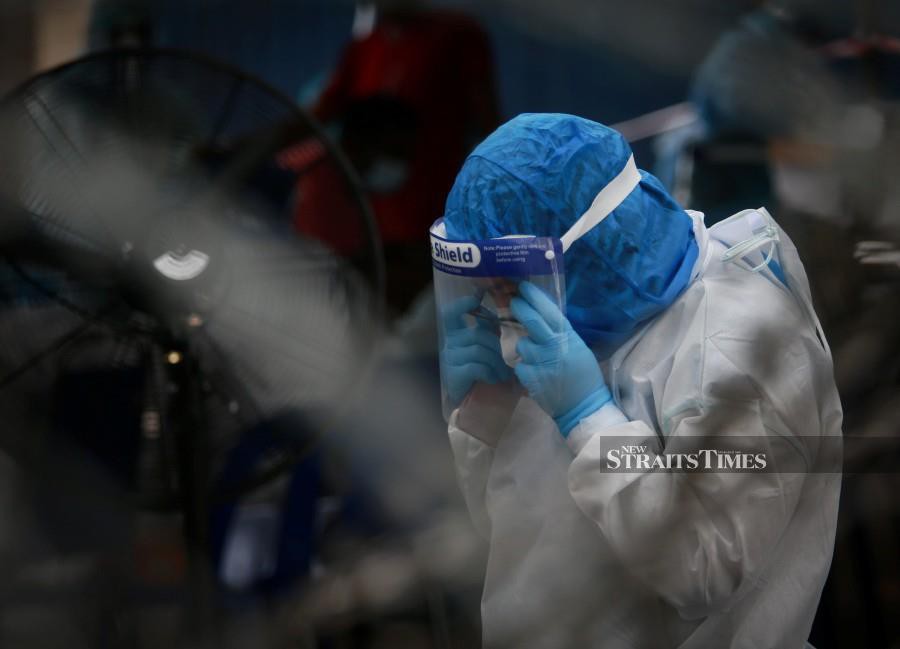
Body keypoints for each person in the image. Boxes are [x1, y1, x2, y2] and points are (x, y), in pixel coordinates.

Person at [437, 113, 842, 648]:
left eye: (508, 285)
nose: (497, 306)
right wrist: (481, 422)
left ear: (588, 249)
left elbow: (704, 569)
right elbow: (512, 538)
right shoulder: (576, 322)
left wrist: (588, 418)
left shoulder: (741, 342)